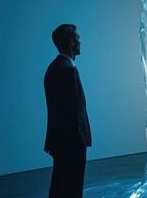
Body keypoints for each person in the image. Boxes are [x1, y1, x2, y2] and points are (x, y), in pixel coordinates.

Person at [44, 24, 92, 198]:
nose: (80, 41)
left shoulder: (55, 67)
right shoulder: (67, 69)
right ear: (72, 42)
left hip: (60, 140)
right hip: (71, 142)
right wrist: (80, 140)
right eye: (78, 38)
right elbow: (73, 111)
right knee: (72, 186)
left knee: (58, 184)